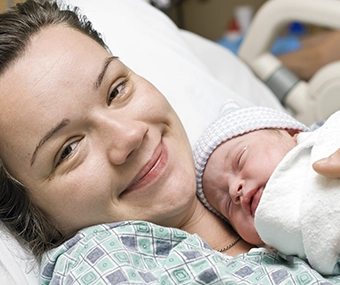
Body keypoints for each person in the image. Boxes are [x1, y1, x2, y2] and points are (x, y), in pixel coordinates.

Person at [1, 1, 340, 284]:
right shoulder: (101, 265)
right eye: (68, 150)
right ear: (30, 214)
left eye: (116, 90)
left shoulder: (248, 156)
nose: (130, 136)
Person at [194, 99, 340, 275]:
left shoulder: (326, 140)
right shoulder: (272, 259)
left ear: (290, 133)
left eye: (239, 160)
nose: (234, 191)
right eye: (227, 205)